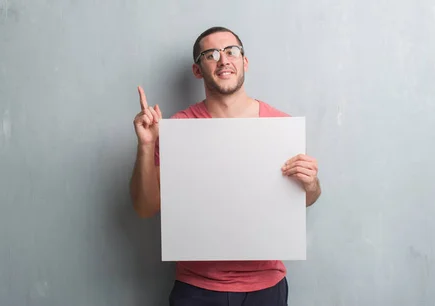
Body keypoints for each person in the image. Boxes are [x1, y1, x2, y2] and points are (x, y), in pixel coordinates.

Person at [129, 26, 322, 306]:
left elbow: (304, 198)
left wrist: (312, 184)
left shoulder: (279, 126)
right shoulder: (180, 128)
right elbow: (145, 207)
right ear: (198, 71)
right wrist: (146, 145)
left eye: (231, 51)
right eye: (211, 54)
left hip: (266, 285)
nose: (223, 60)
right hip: (197, 287)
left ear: (244, 61)